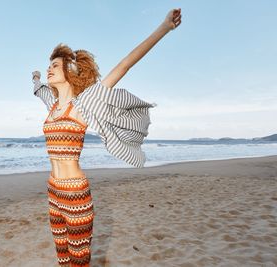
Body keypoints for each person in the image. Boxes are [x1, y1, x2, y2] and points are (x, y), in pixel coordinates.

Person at [32, 8, 182, 267]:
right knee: (62, 258)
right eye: (48, 66)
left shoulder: (83, 104)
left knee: (79, 262)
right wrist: (35, 77)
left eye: (54, 65)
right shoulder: (53, 105)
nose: (49, 69)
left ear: (70, 70)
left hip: (75, 193)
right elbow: (38, 90)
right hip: (53, 191)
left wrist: (164, 28)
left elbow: (124, 65)